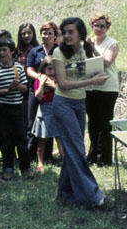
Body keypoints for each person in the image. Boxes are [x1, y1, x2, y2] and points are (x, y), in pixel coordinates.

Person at [52, 17, 109, 208]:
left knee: (73, 149)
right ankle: (93, 197)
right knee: (77, 149)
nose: (67, 36)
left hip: (80, 103)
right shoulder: (58, 52)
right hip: (63, 104)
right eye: (64, 32)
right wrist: (91, 82)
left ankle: (65, 193)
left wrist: (96, 75)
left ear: (80, 34)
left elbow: (92, 69)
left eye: (71, 32)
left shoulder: (86, 48)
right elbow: (63, 84)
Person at [0, 37, 31, 180]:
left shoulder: (18, 68)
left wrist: (18, 86)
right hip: (2, 109)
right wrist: (6, 91)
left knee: (21, 137)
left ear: (11, 52)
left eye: (4, 50)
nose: (1, 53)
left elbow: (25, 88)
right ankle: (8, 168)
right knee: (5, 138)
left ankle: (25, 167)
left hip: (17, 107)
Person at [86, 13, 120, 166]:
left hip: (107, 87)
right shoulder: (88, 41)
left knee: (105, 123)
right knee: (92, 122)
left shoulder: (112, 43)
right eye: (96, 25)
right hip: (91, 86)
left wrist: (92, 47)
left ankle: (105, 158)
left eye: (102, 26)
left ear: (107, 28)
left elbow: (106, 62)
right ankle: (93, 155)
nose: (99, 29)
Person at [26, 21, 60, 159]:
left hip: (55, 90)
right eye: (44, 33)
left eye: (50, 33)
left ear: (55, 35)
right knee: (32, 121)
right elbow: (29, 69)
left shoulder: (59, 51)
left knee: (51, 122)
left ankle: (47, 156)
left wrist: (54, 82)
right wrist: (41, 78)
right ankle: (29, 154)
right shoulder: (35, 51)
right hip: (37, 88)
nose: (46, 36)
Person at [32, 58, 63, 173]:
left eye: (54, 69)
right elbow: (38, 97)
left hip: (58, 109)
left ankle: (64, 159)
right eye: (49, 69)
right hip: (45, 109)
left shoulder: (59, 79)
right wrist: (41, 84)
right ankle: (40, 161)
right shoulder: (40, 79)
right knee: (42, 139)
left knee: (60, 137)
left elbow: (64, 92)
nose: (52, 71)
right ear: (44, 69)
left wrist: (53, 85)